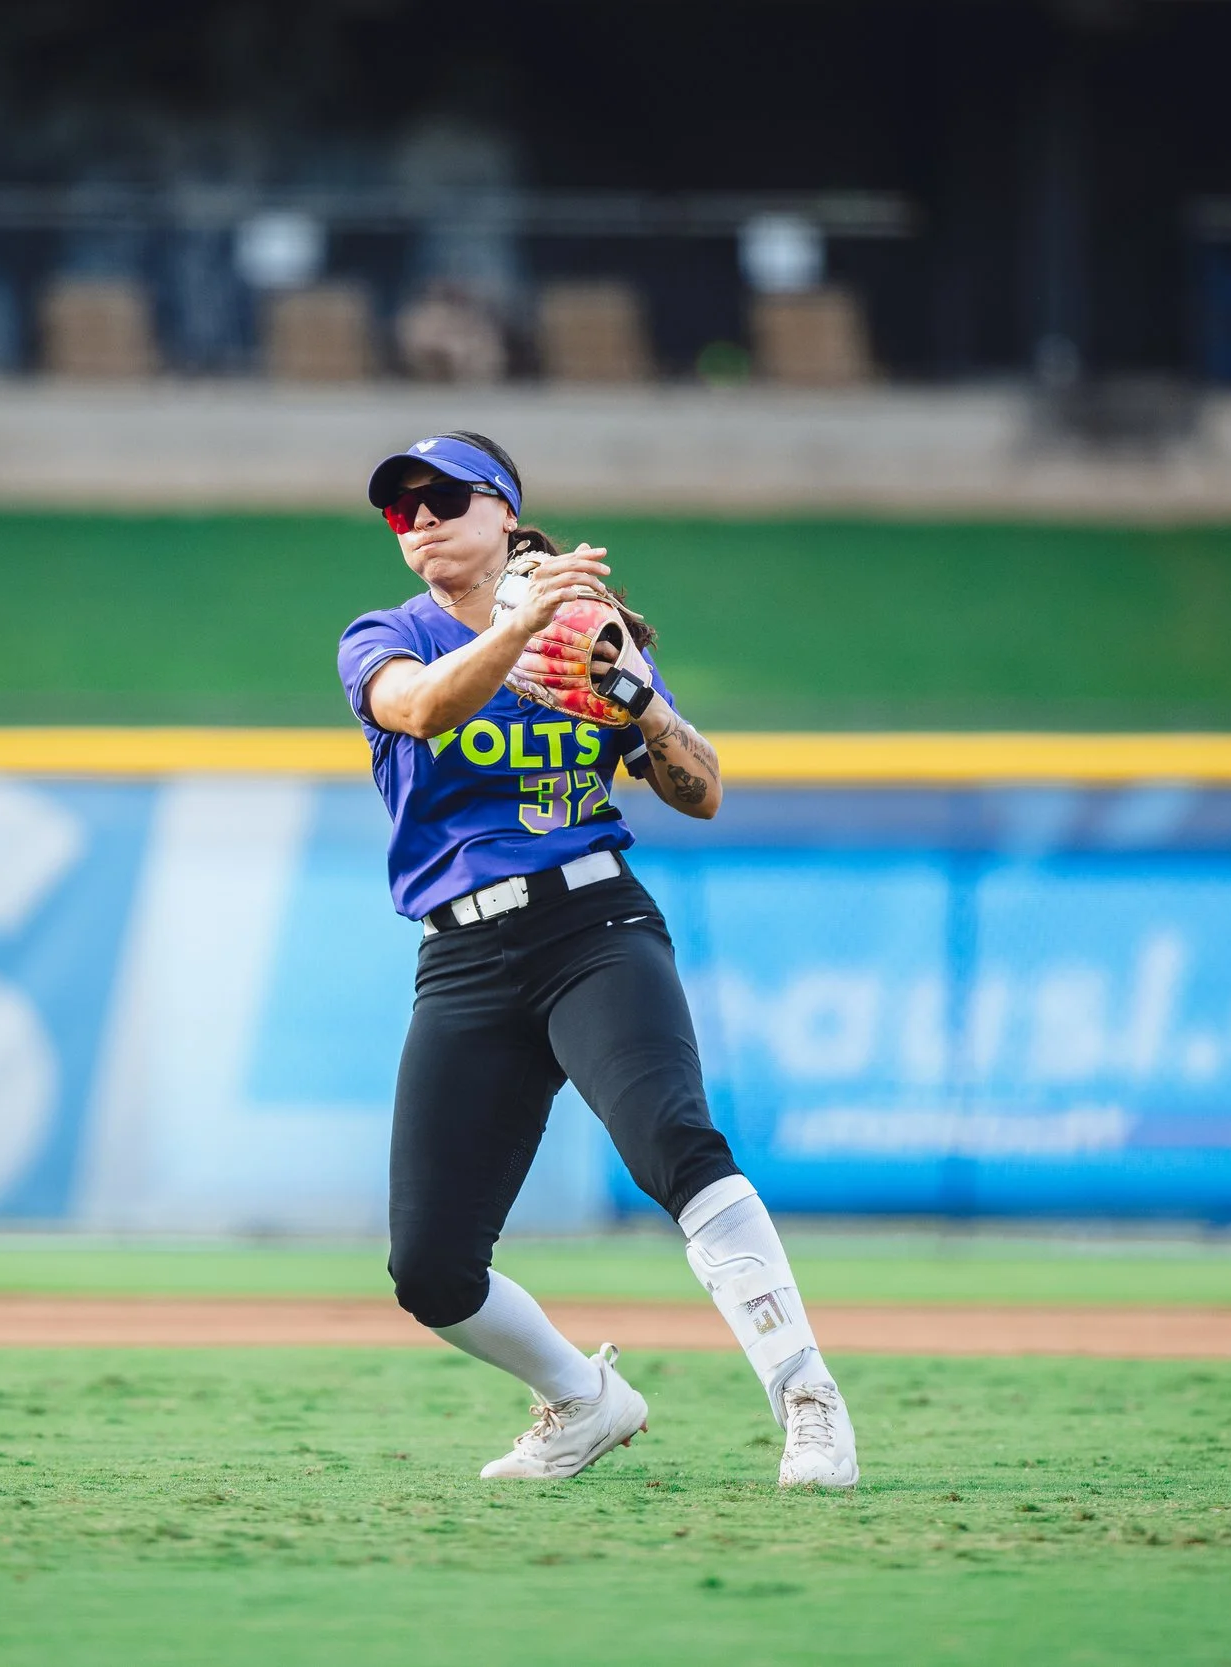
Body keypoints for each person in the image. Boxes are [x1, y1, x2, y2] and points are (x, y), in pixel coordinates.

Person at [336, 430, 858, 1487]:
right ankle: (583, 1398)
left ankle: (806, 1396)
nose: (422, 519)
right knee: (428, 1267)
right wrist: (524, 623)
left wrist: (635, 694)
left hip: (593, 927)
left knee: (674, 1144)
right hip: (462, 957)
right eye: (401, 509)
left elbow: (700, 786)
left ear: (505, 511)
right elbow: (425, 706)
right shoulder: (387, 633)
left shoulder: (588, 634)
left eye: (444, 497)